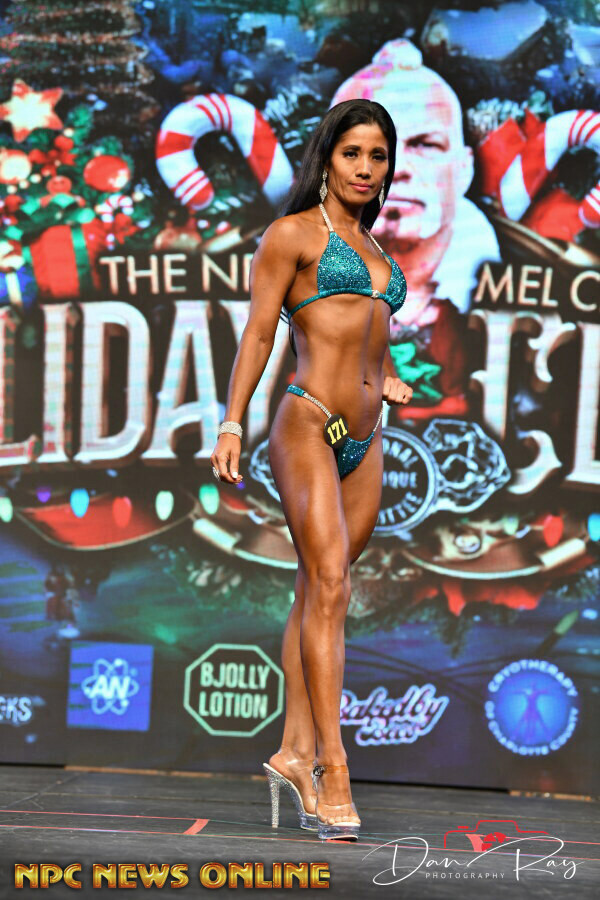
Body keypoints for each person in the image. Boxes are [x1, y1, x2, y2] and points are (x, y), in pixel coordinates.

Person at [209, 99, 413, 841]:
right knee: (329, 584)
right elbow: (261, 333)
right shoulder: (293, 234)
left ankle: (292, 752)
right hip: (306, 424)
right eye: (352, 152)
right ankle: (333, 767)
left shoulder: (377, 249)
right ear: (328, 157)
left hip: (366, 436)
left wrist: (386, 378)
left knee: (319, 593)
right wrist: (232, 422)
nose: (365, 167)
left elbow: (366, 335)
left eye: (378, 156)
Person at [331, 39, 501, 416]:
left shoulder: (493, 297)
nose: (398, 168)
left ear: (463, 169)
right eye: (357, 149)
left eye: (425, 144)